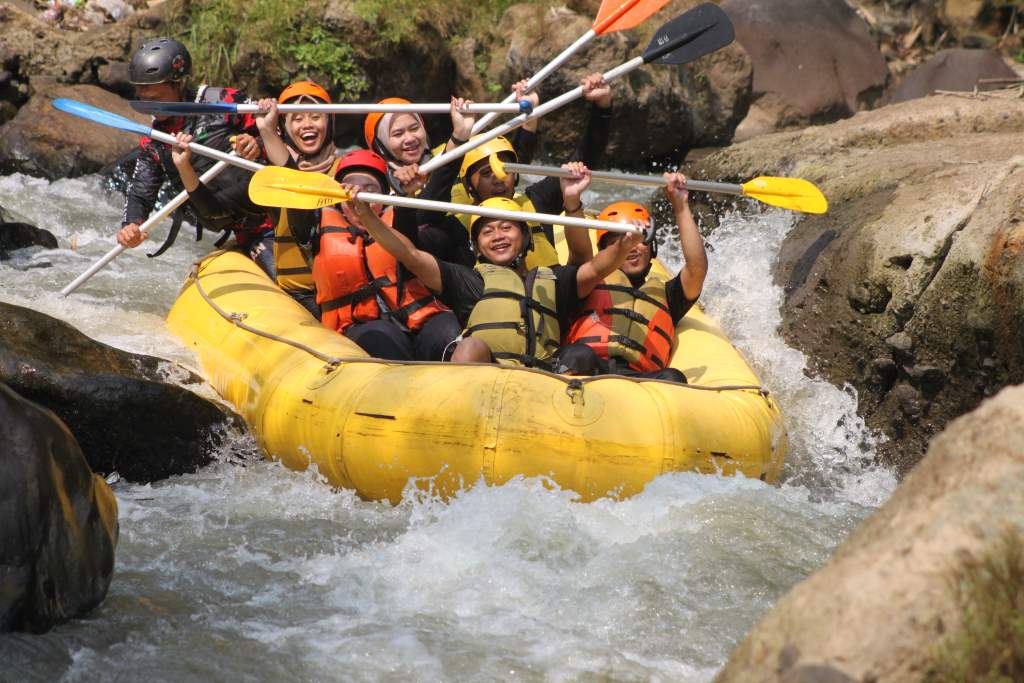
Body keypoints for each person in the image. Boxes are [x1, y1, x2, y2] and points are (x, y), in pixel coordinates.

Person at [340, 166, 643, 370]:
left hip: (546, 382)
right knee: (469, 347)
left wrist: (624, 246)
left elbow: (593, 268)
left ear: (526, 237)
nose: (497, 236)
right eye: (487, 231)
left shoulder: (553, 280)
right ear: (476, 246)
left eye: (506, 228)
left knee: (580, 355)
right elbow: (409, 254)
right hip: (489, 381)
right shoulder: (469, 281)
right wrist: (369, 217)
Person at [393, 73, 614, 270]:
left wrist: (602, 109)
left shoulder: (537, 202)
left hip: (543, 298)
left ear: (516, 175)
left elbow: (585, 159)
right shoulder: (457, 226)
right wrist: (459, 136)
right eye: (486, 173)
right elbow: (421, 223)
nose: (498, 178)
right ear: (469, 185)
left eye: (505, 169)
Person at [117, 38, 269, 258]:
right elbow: (140, 194)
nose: (151, 106)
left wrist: (258, 145)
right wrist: (131, 225)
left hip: (273, 211)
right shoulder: (155, 143)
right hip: (238, 228)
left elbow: (280, 134)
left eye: (157, 98)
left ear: (179, 83)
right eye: (143, 99)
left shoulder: (223, 102)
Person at [310, 150, 461, 361]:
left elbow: (441, 181)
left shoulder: (401, 219)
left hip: (418, 319)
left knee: (446, 330)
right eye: (350, 188)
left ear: (383, 195)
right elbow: (289, 197)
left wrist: (459, 138)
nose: (358, 195)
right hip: (359, 325)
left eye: (370, 189)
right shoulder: (316, 227)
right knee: (380, 336)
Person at [558, 173, 708, 383]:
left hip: (640, 381)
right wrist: (572, 202)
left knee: (673, 377)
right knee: (578, 355)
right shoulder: (588, 281)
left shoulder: (668, 295)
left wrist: (681, 205)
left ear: (652, 247)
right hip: (589, 369)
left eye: (638, 240)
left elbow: (697, 269)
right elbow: (579, 251)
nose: (631, 247)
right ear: (604, 250)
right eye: (617, 241)